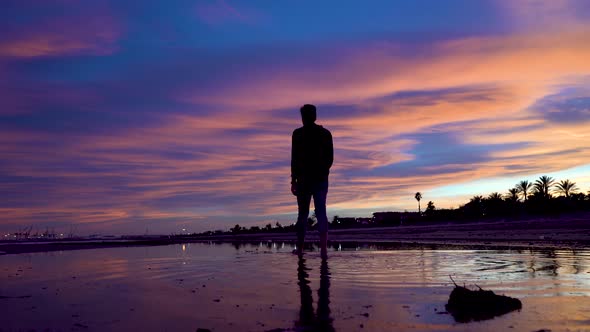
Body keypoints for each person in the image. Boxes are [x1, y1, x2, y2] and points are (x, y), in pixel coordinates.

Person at [291, 104, 333, 257]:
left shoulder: (298, 134)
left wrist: (294, 180)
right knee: (320, 212)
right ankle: (322, 251)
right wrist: (322, 172)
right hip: (318, 179)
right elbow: (329, 159)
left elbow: (294, 159)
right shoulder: (324, 133)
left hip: (306, 179)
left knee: (303, 214)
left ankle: (301, 250)